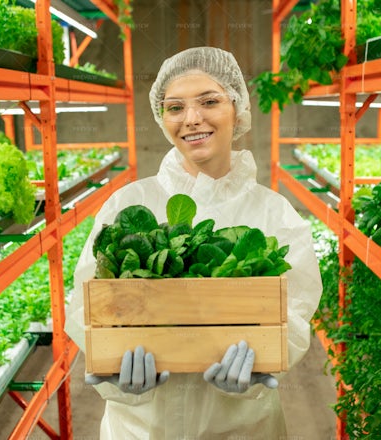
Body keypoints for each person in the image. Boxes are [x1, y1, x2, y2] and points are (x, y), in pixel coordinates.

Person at [65, 46, 322, 439]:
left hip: (242, 427)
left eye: (209, 101)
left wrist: (257, 370)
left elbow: (296, 315)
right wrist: (117, 376)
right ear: (161, 117)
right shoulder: (129, 203)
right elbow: (87, 307)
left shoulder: (275, 215)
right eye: (175, 107)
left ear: (237, 109)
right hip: (141, 428)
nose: (192, 119)